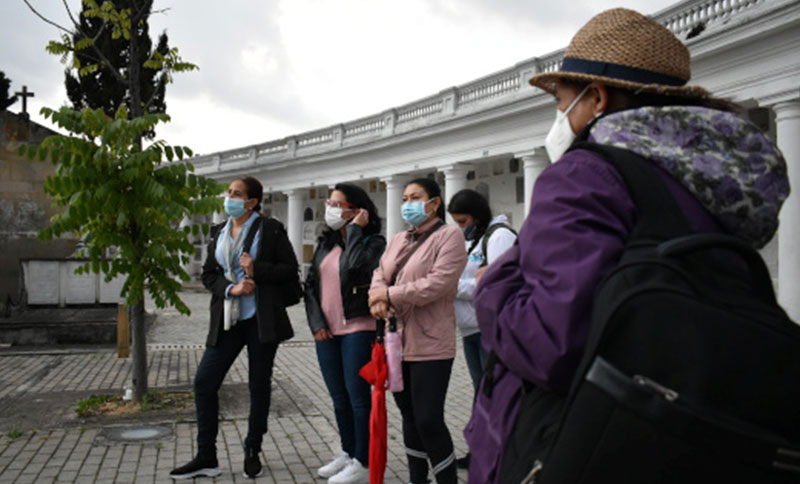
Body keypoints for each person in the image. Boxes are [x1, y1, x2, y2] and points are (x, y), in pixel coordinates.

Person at [465, 8, 789, 484]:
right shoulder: (712, 185)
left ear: (595, 98)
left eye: (560, 100)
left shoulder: (582, 177)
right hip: (677, 435)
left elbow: (550, 348)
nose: (557, 115)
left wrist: (492, 287)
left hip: (577, 440)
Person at [171, 176, 299, 480]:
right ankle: (206, 456)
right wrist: (232, 288)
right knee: (204, 382)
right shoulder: (219, 232)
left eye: (237, 194)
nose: (229, 197)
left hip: (260, 321)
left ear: (252, 202)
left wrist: (257, 269)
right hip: (228, 320)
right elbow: (208, 275)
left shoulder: (270, 229)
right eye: (229, 192)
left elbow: (290, 270)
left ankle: (253, 447)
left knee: (258, 386)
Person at [369, 177, 468, 484]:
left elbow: (438, 284)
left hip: (431, 344)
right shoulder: (398, 239)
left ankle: (447, 480)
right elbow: (379, 274)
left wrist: (389, 295)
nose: (408, 204)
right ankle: (416, 479)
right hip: (396, 342)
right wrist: (377, 297)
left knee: (428, 419)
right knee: (409, 416)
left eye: (415, 197)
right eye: (405, 198)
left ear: (434, 203)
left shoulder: (449, 236)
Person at [304, 183, 386, 484]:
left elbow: (354, 268)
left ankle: (363, 462)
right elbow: (310, 285)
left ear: (357, 210)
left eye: (338, 204)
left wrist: (354, 231)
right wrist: (316, 323)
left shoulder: (374, 242)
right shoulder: (325, 244)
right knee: (338, 397)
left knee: (357, 398)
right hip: (328, 331)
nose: (330, 208)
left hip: (358, 328)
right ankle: (348, 452)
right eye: (329, 202)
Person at [446, 188, 517, 469]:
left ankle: (502, 455)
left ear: (476, 216)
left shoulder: (499, 236)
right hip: (470, 331)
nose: (460, 228)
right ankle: (482, 451)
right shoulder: (473, 241)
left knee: (496, 393)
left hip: (492, 330)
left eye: (463, 222)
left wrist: (452, 286)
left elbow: (496, 285)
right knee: (481, 393)